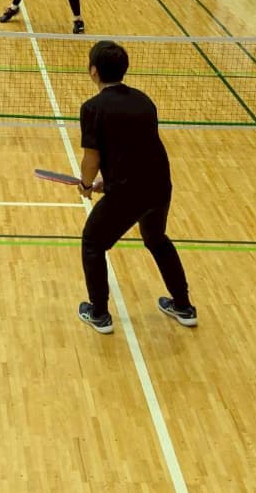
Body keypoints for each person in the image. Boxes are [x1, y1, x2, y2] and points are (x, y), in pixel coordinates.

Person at [76, 40, 197, 334]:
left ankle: (99, 313)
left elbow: (92, 159)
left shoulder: (92, 108)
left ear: (93, 71)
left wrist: (87, 184)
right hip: (159, 185)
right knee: (156, 238)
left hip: (129, 193)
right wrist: (109, 181)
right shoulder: (144, 100)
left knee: (92, 243)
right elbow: (135, 149)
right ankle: (183, 306)